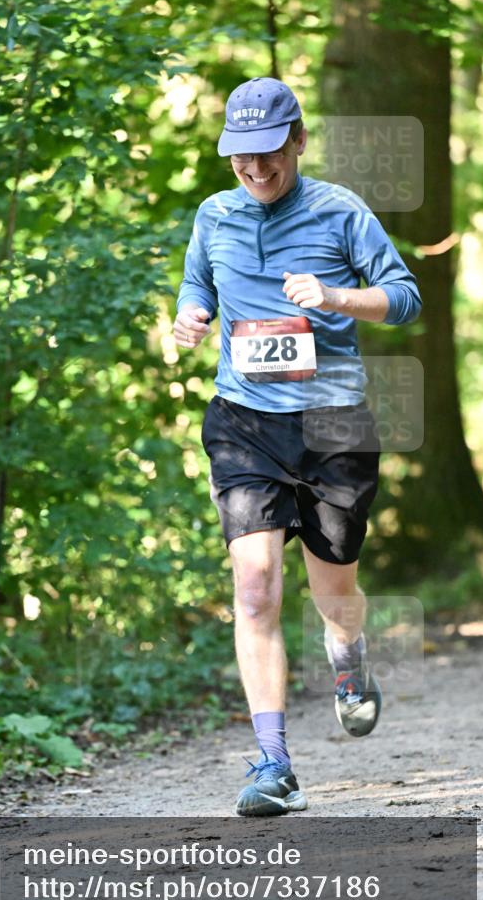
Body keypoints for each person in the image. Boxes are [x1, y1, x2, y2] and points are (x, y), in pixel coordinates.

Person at [174, 77, 422, 817]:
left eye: (266, 155)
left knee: (333, 591)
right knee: (253, 589)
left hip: (334, 425)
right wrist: (189, 318)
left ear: (297, 140)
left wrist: (337, 297)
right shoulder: (213, 215)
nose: (252, 170)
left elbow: (403, 297)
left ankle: (346, 660)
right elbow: (197, 287)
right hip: (244, 421)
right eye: (238, 157)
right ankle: (272, 763)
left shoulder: (339, 210)